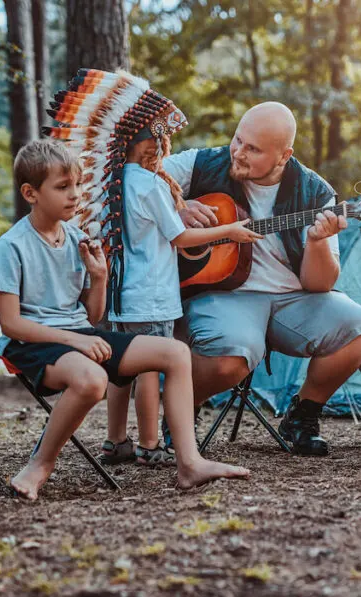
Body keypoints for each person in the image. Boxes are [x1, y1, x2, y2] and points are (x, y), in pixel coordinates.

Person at [0, 138, 249, 500]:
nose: (74, 195)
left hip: (79, 336)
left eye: (78, 185)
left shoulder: (77, 238)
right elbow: (10, 324)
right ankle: (40, 464)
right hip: (35, 345)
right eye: (63, 187)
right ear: (31, 193)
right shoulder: (12, 245)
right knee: (93, 379)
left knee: (174, 353)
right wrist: (77, 340)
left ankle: (190, 464)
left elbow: (92, 315)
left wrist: (100, 278)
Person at [163, 102, 361, 456]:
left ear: (283, 155)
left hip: (292, 299)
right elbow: (139, 179)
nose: (239, 153)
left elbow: (319, 285)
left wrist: (317, 241)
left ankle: (302, 414)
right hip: (223, 296)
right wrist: (177, 205)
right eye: (238, 140)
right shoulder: (203, 164)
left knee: (357, 327)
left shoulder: (315, 193)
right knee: (232, 354)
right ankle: (181, 410)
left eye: (253, 149)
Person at [100, 125, 261, 466]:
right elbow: (180, 236)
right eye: (162, 139)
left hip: (121, 294)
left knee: (120, 368)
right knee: (148, 368)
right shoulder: (151, 184)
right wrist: (231, 231)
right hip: (152, 295)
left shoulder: (111, 183)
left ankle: (116, 440)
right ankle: (148, 444)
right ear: (150, 145)